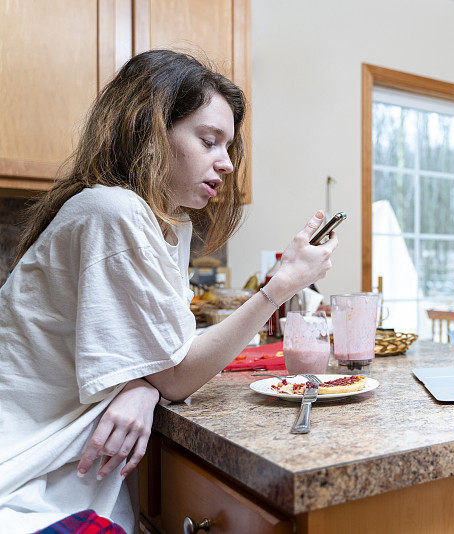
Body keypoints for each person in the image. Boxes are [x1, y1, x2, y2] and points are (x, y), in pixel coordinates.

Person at [0, 49, 338, 533]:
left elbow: (160, 362)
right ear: (150, 131)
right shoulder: (112, 212)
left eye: (228, 146)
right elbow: (178, 374)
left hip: (62, 481)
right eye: (208, 140)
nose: (225, 163)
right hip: (23, 488)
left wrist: (141, 383)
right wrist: (280, 286)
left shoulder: (159, 223)